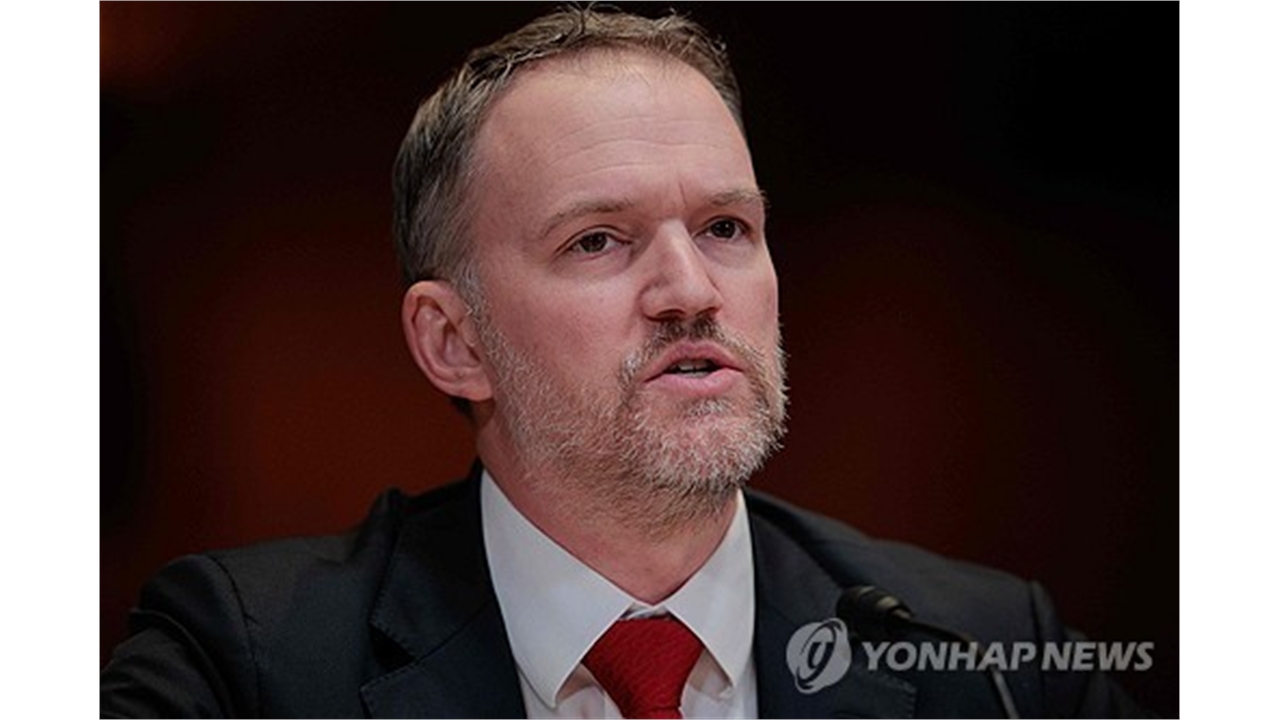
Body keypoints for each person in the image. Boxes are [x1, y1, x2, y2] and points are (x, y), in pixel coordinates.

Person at [101, 7, 1148, 718]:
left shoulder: (989, 658)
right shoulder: (245, 664)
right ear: (454, 343)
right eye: (597, 240)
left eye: (726, 228)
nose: (690, 289)